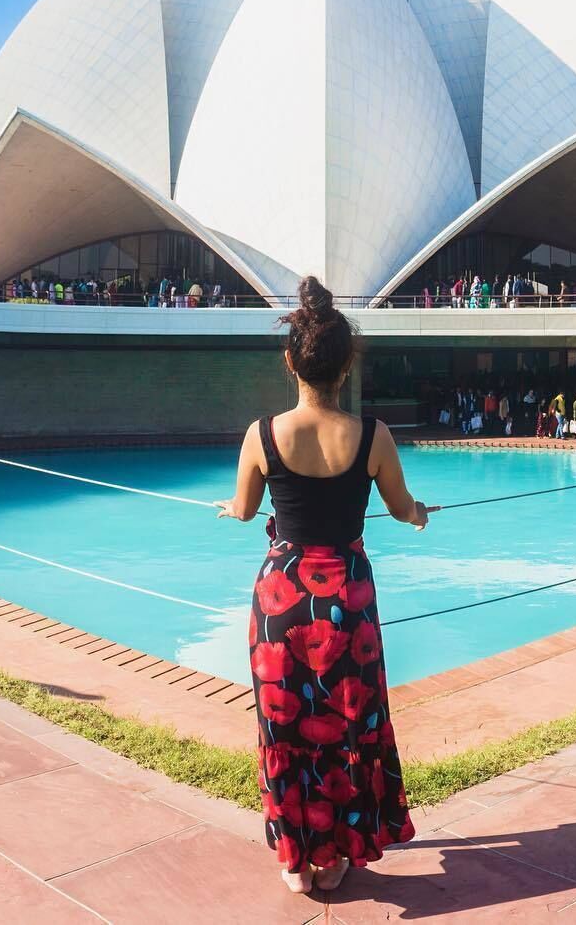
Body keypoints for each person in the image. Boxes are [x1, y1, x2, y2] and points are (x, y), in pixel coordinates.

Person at [217, 277, 419, 893]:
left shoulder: (263, 434)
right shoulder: (374, 436)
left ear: (290, 362)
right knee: (350, 722)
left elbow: (247, 510)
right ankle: (337, 856)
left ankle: (296, 861)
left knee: (286, 726)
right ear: (347, 362)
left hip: (282, 599)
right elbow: (402, 505)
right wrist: (418, 513)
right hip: (349, 602)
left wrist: (229, 509)